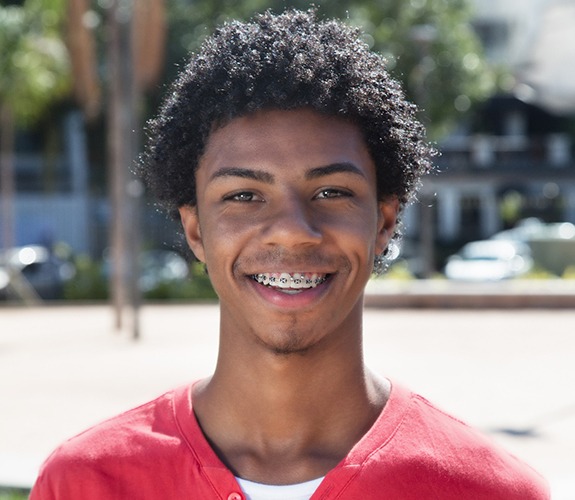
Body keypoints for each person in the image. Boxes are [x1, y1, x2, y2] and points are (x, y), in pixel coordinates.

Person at [30, 9, 548, 500]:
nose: (292, 232)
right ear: (195, 231)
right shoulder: (84, 481)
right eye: (243, 196)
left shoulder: (493, 490)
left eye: (331, 192)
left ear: (384, 223)